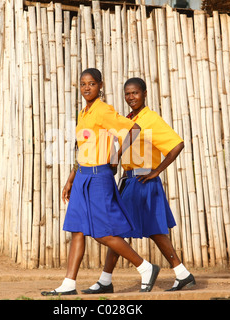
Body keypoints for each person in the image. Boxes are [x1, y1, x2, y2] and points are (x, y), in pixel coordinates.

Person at [41, 69, 160, 296]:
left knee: (102, 233)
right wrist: (70, 178)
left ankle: (145, 268)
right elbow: (82, 149)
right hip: (82, 177)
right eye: (83, 84)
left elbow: (133, 129)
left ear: (100, 85)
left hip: (99, 178)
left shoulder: (104, 110)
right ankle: (69, 284)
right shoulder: (83, 113)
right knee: (76, 229)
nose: (87, 88)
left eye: (92, 84)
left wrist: (115, 157)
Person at [82, 77, 195, 294]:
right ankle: (182, 274)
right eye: (127, 94)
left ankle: (108, 280)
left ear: (144, 93)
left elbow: (177, 144)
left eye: (135, 93)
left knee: (125, 230)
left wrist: (157, 171)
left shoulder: (151, 118)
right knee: (134, 231)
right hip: (129, 181)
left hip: (144, 181)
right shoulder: (128, 119)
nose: (131, 97)